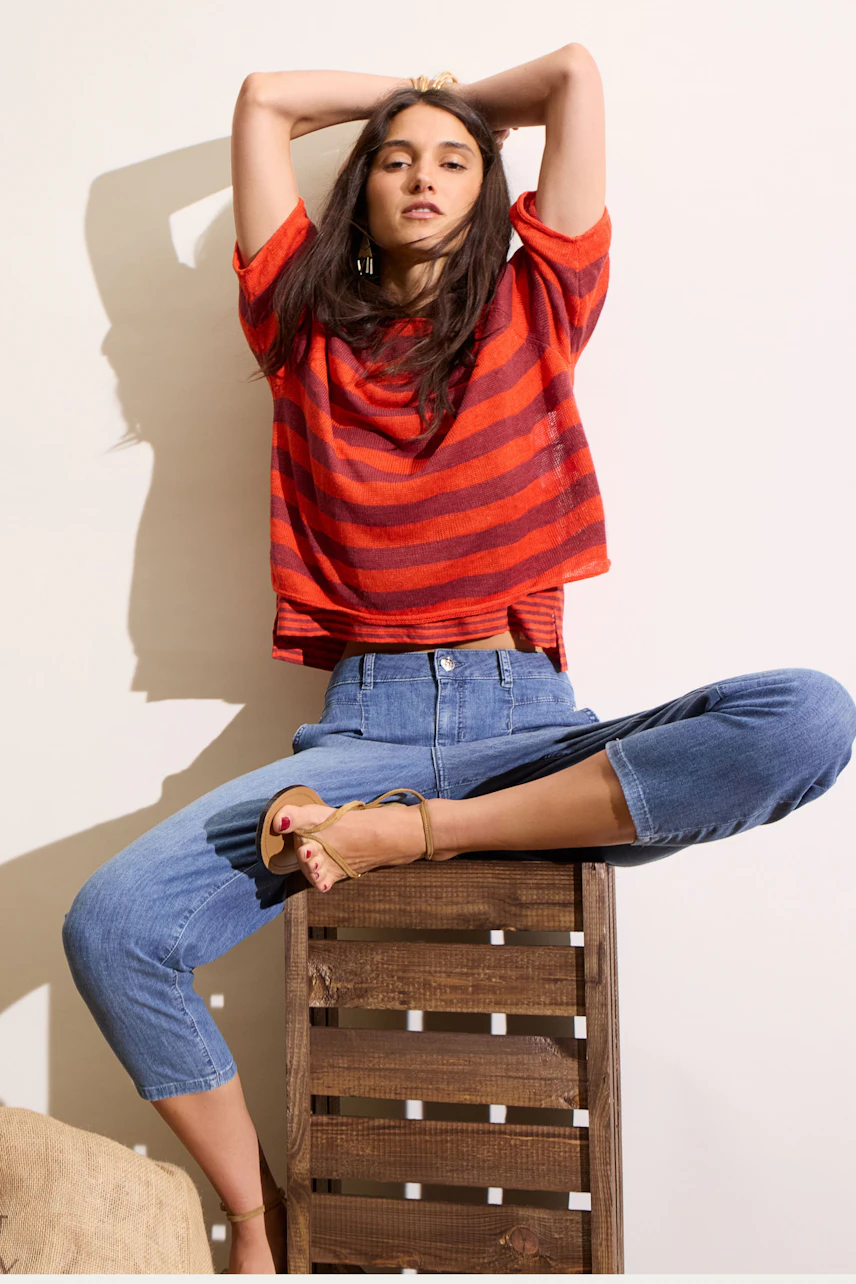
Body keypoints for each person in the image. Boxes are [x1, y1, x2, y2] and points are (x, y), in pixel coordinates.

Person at [62, 49, 856, 1274]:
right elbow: (266, 99)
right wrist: (410, 97)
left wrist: (452, 110)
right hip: (359, 733)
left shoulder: (545, 298)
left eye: (452, 160)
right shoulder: (294, 324)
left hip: (526, 720)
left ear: (494, 190)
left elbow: (574, 77)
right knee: (114, 925)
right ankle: (258, 1223)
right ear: (358, 191)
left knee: (809, 716)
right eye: (393, 158)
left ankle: (417, 832)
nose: (422, 175)